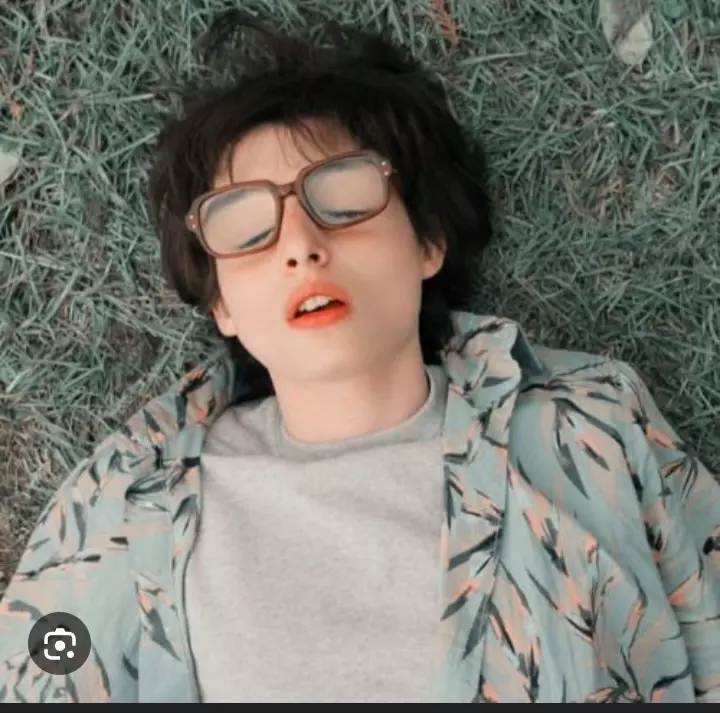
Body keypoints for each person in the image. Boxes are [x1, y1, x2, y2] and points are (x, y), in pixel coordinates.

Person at [0, 10, 718, 704]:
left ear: (428, 242)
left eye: (344, 198)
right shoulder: (122, 503)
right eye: (245, 226)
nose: (299, 245)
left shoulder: (592, 428)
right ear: (221, 303)